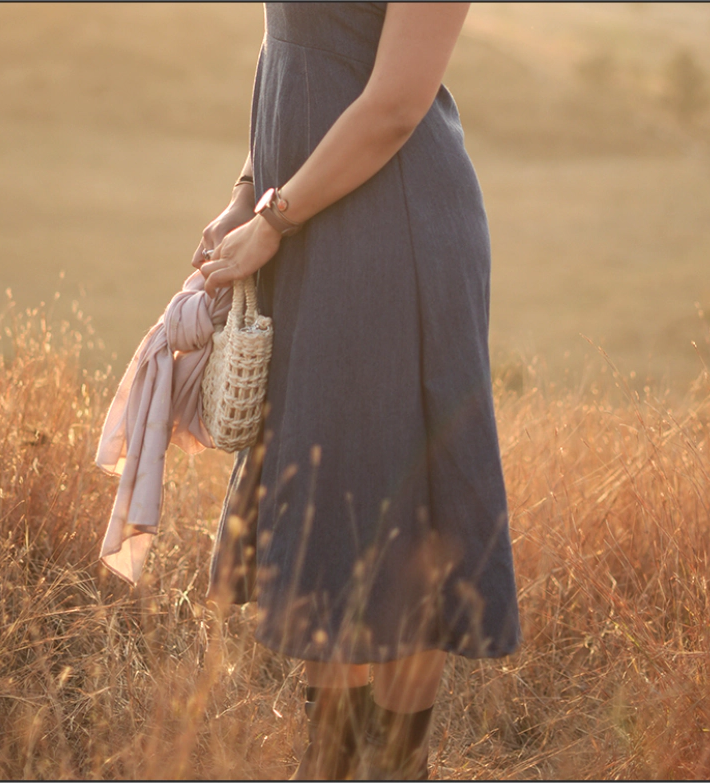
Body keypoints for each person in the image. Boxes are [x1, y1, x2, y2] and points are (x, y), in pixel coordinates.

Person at [192, 3, 520, 779]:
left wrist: (274, 216)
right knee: (332, 483)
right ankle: (333, 763)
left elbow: (395, 103)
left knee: (397, 503)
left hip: (391, 226)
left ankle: (394, 765)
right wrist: (249, 189)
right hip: (308, 212)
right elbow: (293, 48)